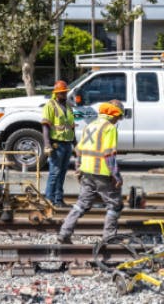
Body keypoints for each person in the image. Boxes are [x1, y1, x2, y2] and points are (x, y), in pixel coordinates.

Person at [57, 101, 124, 243]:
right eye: (119, 116)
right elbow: (109, 154)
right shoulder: (110, 128)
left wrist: (78, 169)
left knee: (81, 204)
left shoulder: (90, 126)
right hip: (101, 172)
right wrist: (116, 176)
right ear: (113, 114)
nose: (119, 120)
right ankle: (109, 237)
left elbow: (78, 150)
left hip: (86, 172)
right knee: (115, 204)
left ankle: (64, 232)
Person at [42, 80, 75, 207]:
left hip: (67, 144)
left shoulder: (68, 106)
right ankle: (49, 200)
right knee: (54, 173)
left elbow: (72, 126)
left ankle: (59, 199)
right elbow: (45, 126)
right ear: (56, 93)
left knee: (62, 173)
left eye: (65, 92)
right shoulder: (50, 105)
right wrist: (47, 144)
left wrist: (75, 144)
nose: (64, 94)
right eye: (61, 93)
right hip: (56, 144)